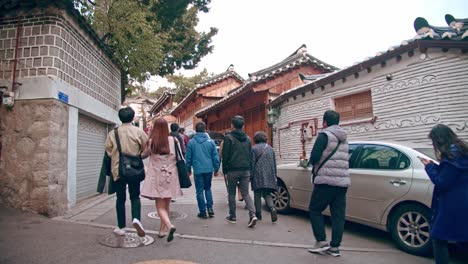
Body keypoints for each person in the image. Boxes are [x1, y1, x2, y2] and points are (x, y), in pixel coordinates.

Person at [420, 124, 468, 264]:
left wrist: (429, 167)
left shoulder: (452, 155)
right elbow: (451, 173)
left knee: (438, 237)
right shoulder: (461, 152)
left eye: (434, 141)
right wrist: (434, 165)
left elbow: (443, 182)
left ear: (439, 140)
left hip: (453, 204)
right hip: (462, 201)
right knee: (463, 238)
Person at [307, 110, 350, 257]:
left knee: (314, 209)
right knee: (338, 215)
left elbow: (314, 158)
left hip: (325, 181)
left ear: (324, 122)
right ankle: (335, 247)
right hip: (342, 182)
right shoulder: (344, 138)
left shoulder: (324, 135)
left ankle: (321, 242)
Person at [104, 107, 148, 237]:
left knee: (120, 198)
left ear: (120, 118)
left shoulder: (113, 133)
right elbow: (146, 149)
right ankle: (136, 219)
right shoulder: (139, 132)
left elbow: (108, 151)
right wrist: (138, 156)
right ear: (133, 117)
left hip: (118, 170)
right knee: (135, 196)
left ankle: (121, 227)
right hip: (134, 169)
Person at [140, 118, 183, 242]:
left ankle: (169, 226)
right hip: (171, 175)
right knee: (166, 204)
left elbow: (143, 155)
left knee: (159, 206)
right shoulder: (174, 140)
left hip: (157, 175)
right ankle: (161, 231)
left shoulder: (152, 142)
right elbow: (181, 156)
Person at [222, 115, 257, 228]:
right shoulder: (248, 139)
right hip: (245, 169)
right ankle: (252, 214)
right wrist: (250, 169)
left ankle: (232, 216)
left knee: (231, 193)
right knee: (245, 193)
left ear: (232, 125)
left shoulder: (228, 138)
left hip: (232, 170)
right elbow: (250, 155)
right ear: (243, 125)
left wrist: (224, 169)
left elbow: (225, 155)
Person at [185, 122, 220, 219]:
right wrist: (216, 169)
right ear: (205, 130)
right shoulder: (211, 142)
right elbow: (215, 157)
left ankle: (202, 211)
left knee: (199, 191)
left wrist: (188, 169)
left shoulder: (191, 142)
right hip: (209, 169)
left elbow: (188, 158)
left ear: (195, 130)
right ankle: (210, 208)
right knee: (208, 188)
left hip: (198, 170)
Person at [251, 131, 278, 223]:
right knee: (267, 193)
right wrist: (274, 176)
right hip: (269, 174)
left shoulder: (253, 149)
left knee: (257, 194)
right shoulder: (271, 149)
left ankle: (258, 214)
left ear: (255, 139)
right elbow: (274, 164)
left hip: (258, 174)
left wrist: (251, 175)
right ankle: (272, 208)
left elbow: (252, 164)